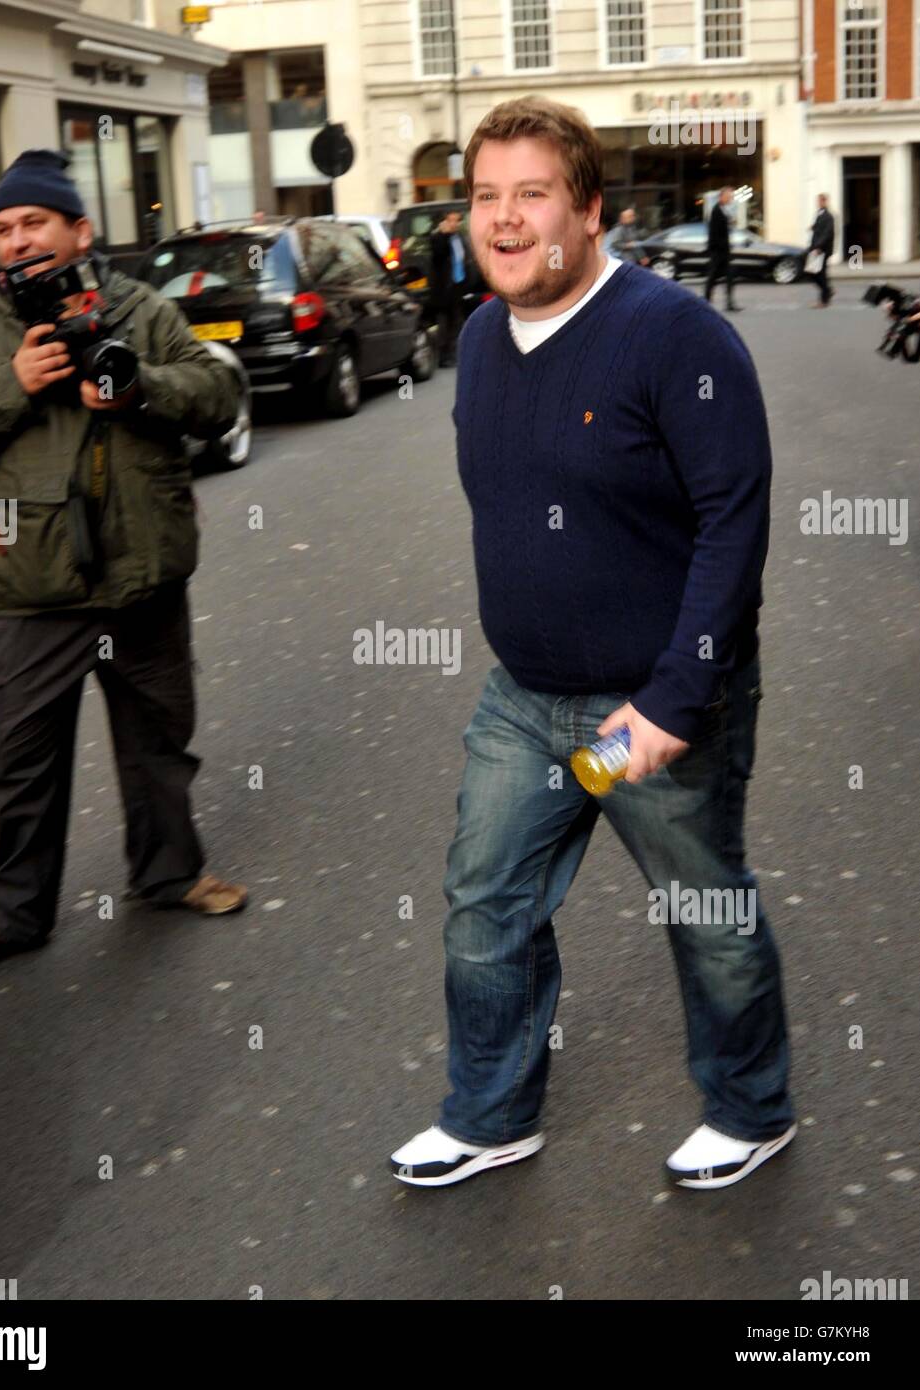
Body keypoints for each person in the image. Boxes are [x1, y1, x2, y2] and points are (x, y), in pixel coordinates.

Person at [390, 97, 795, 1191]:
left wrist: (674, 698)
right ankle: (489, 1113)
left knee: (701, 910)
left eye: (533, 194)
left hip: (643, 710)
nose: (505, 219)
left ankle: (752, 1107)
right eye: (485, 196)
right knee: (485, 907)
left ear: (589, 210)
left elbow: (732, 521)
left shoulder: (676, 337)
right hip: (524, 704)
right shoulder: (478, 336)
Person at [0, 149, 250, 967]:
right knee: (18, 762)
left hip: (142, 577)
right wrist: (14, 381)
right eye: (3, 229)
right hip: (30, 589)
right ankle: (15, 914)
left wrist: (141, 391)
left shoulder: (140, 308)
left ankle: (169, 874)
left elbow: (218, 396)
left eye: (34, 223)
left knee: (159, 745)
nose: (17, 241)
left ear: (78, 230)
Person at [430, 209, 469, 367]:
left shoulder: (459, 237)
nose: (454, 224)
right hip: (443, 288)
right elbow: (438, 256)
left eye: (457, 220)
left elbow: (463, 258)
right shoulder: (438, 238)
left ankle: (453, 352)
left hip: (457, 283)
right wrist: (443, 235)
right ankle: (442, 355)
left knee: (457, 320)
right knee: (444, 322)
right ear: (444, 222)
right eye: (451, 220)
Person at [704, 186, 740, 312]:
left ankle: (729, 303)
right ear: (722, 197)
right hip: (718, 251)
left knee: (729, 276)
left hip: (723, 251)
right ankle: (706, 302)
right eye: (729, 196)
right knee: (712, 277)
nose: (731, 198)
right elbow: (714, 232)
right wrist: (718, 249)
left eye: (732, 196)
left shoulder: (723, 210)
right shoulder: (716, 211)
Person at [807, 193, 836, 308]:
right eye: (817, 201)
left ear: (824, 202)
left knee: (819, 274)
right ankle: (828, 290)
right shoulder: (820, 214)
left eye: (819, 201)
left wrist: (818, 247)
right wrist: (813, 227)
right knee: (813, 273)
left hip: (822, 250)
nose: (817, 203)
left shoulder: (828, 216)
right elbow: (820, 228)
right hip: (816, 248)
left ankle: (824, 300)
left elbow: (827, 233)